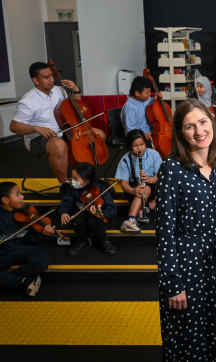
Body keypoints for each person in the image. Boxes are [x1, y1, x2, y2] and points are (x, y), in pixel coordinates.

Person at [156, 98, 216, 362]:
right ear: (180, 133)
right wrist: (172, 283)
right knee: (190, 342)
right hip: (187, 269)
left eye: (203, 122)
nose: (198, 131)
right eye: (189, 126)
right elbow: (165, 231)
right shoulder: (171, 169)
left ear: (213, 124)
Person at [9, 62, 106, 195]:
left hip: (66, 131)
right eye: (46, 77)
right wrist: (36, 128)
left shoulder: (59, 90)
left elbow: (76, 108)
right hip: (39, 139)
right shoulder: (28, 101)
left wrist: (76, 90)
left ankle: (88, 178)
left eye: (51, 76)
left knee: (98, 134)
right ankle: (64, 184)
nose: (51, 79)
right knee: (58, 145)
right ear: (35, 80)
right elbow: (14, 126)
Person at [0, 182, 51, 297]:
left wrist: (43, 234)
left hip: (27, 248)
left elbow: (34, 240)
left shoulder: (27, 212)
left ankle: (8, 282)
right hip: (6, 252)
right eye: (18, 194)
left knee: (43, 261)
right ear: (5, 200)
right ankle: (24, 282)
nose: (22, 197)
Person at [59, 162, 117, 256]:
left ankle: (104, 241)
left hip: (98, 220)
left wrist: (102, 214)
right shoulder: (73, 189)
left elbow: (112, 209)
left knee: (94, 220)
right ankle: (82, 242)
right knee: (76, 219)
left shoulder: (100, 189)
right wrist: (64, 212)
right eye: (72, 177)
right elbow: (66, 202)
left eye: (75, 178)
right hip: (81, 214)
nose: (72, 181)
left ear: (87, 180)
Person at [115, 129, 162, 233]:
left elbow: (159, 176)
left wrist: (150, 179)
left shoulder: (154, 155)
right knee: (145, 188)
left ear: (146, 143)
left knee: (168, 190)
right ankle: (130, 220)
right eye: (136, 146)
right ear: (130, 146)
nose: (139, 148)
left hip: (152, 184)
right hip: (134, 189)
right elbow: (124, 184)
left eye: (142, 144)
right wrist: (133, 191)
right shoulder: (125, 160)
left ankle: (145, 209)